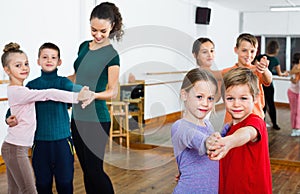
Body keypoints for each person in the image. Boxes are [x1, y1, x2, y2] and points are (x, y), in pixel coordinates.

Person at [0, 42, 92, 194]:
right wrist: (8, 117)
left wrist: (83, 93)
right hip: (40, 143)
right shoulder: (31, 85)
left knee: (65, 182)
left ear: (59, 62)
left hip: (62, 141)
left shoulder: (63, 82)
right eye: (45, 57)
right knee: (42, 184)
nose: (49, 60)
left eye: (53, 57)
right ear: (38, 61)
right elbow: (16, 107)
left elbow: (74, 90)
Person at [68, 2, 123, 193]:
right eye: (93, 30)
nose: (98, 35)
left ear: (112, 27)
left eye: (103, 31)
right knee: (86, 170)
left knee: (95, 170)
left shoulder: (111, 55)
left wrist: (95, 95)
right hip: (76, 117)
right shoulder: (83, 46)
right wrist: (53, 81)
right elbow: (76, 77)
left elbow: (113, 91)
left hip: (97, 120)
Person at [207, 67, 272, 194]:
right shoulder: (228, 128)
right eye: (230, 98)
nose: (236, 104)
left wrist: (230, 141)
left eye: (243, 98)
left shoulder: (255, 122)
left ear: (255, 98)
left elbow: (247, 133)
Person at [171, 68, 219, 194]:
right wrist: (208, 142)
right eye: (199, 97)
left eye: (210, 98)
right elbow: (196, 139)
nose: (205, 103)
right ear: (184, 95)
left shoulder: (208, 124)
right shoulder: (179, 127)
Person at [222, 33, 272, 124]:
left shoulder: (257, 71)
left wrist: (264, 69)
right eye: (244, 50)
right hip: (232, 120)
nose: (248, 55)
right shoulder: (226, 72)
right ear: (236, 50)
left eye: (252, 51)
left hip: (254, 119)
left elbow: (268, 80)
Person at [256, 40, 288, 130]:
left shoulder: (260, 57)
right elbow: (279, 74)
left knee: (262, 104)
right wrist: (284, 74)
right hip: (269, 85)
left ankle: (262, 123)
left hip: (260, 84)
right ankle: (275, 124)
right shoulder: (275, 60)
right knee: (271, 104)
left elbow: (256, 69)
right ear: (277, 49)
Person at [192, 37, 223, 103]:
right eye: (204, 52)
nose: (210, 55)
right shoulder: (198, 74)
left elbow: (215, 99)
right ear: (195, 55)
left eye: (211, 51)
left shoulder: (215, 76)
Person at [288, 53, 300, 136]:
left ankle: (297, 128)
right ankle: (295, 129)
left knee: (298, 111)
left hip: (297, 92)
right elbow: (294, 80)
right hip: (293, 92)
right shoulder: (296, 67)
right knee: (294, 111)